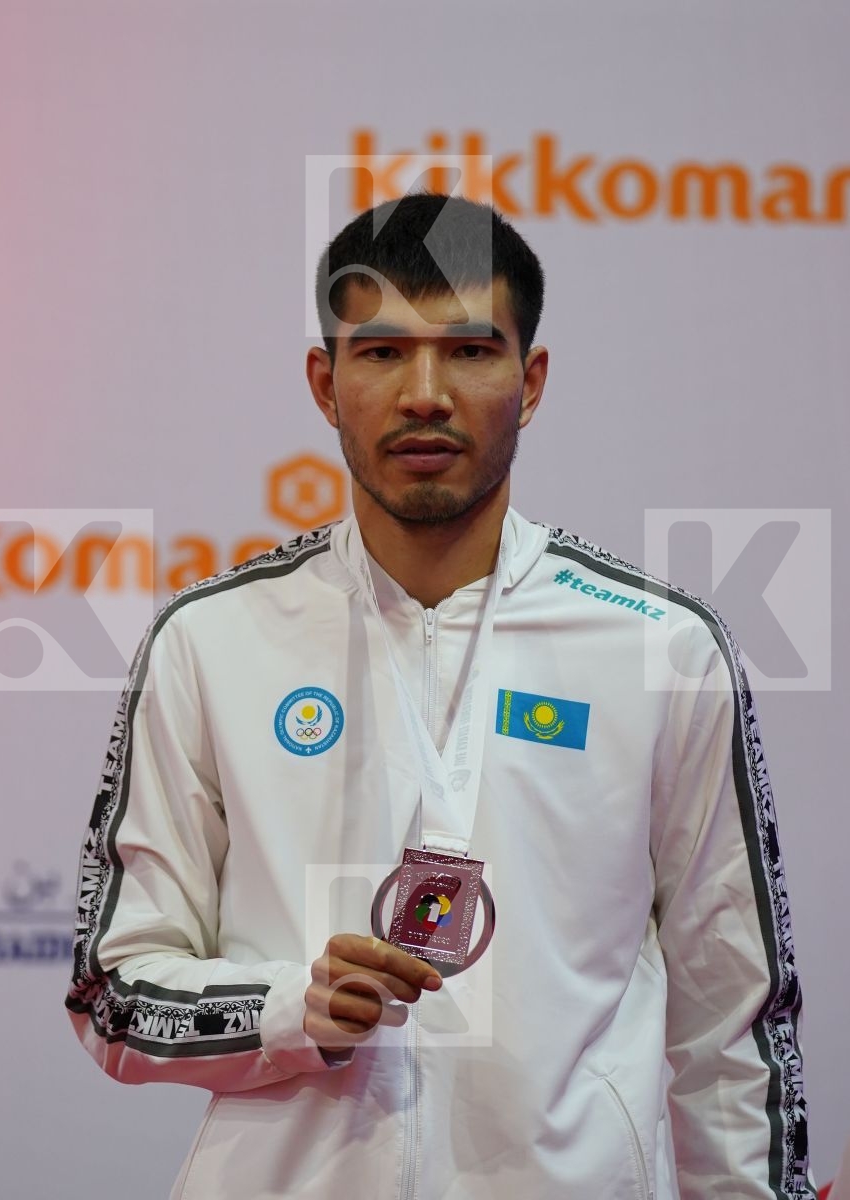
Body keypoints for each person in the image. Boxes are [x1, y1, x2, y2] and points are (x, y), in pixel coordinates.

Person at [66, 192, 816, 1199]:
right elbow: (111, 990)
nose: (425, 393)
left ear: (532, 378)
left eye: (469, 350)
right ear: (325, 385)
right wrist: (292, 1007)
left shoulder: (662, 649)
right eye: (380, 355)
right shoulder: (208, 642)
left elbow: (736, 1023)